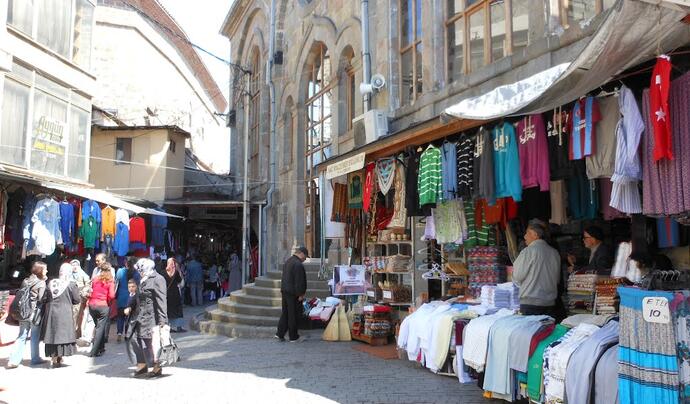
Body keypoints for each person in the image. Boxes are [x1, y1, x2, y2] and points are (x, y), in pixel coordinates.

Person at [128, 258, 168, 378]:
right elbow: (138, 297)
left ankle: (157, 366)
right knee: (133, 339)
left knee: (152, 343)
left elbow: (162, 300)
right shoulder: (143, 278)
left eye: (141, 269)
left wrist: (163, 321)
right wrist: (130, 306)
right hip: (140, 316)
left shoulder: (158, 279)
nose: (139, 271)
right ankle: (142, 364)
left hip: (152, 317)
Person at [512, 220, 561, 316]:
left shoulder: (528, 251)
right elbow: (557, 280)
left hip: (531, 303)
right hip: (549, 303)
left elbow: (517, 276)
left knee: (531, 331)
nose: (525, 236)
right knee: (546, 330)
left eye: (527, 233)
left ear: (535, 234)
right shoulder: (554, 253)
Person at [7, 261, 48, 369]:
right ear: (41, 271)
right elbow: (41, 298)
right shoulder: (41, 283)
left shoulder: (26, 280)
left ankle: (14, 360)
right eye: (45, 269)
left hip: (23, 312)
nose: (47, 271)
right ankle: (35, 358)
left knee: (21, 336)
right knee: (34, 336)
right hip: (34, 313)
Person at [42, 263, 81, 368]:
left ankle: (52, 357)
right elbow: (77, 300)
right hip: (64, 313)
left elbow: (44, 298)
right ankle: (59, 357)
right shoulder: (71, 284)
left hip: (51, 313)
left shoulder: (51, 283)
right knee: (62, 336)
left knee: (52, 333)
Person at [276, 246, 308, 343]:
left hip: (285, 290)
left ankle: (280, 333)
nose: (305, 259)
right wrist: (301, 294)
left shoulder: (288, 261)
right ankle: (293, 336)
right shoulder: (298, 264)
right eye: (305, 257)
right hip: (293, 293)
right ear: (301, 253)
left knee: (285, 313)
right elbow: (299, 282)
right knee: (293, 314)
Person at [88, 264, 115, 357]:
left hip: (92, 305)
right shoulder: (110, 281)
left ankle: (101, 347)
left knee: (98, 326)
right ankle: (94, 351)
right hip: (103, 305)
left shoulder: (95, 279)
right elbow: (112, 295)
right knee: (100, 328)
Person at [115, 257, 140, 342]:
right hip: (131, 297)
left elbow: (116, 283)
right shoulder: (136, 273)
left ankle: (119, 333)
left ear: (125, 263)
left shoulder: (120, 271)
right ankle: (127, 334)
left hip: (121, 297)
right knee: (129, 317)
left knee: (120, 316)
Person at [160, 257, 185, 333]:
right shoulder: (176, 272)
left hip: (166, 294)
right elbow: (180, 281)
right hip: (175, 294)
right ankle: (179, 327)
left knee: (168, 311)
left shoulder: (163, 273)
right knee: (178, 310)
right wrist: (178, 270)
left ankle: (169, 327)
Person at [69, 259, 91, 338]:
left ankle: (77, 333)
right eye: (72, 265)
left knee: (79, 316)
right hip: (70, 298)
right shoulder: (68, 274)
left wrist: (83, 291)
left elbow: (88, 284)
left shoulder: (83, 274)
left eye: (76, 265)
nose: (74, 267)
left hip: (80, 298)